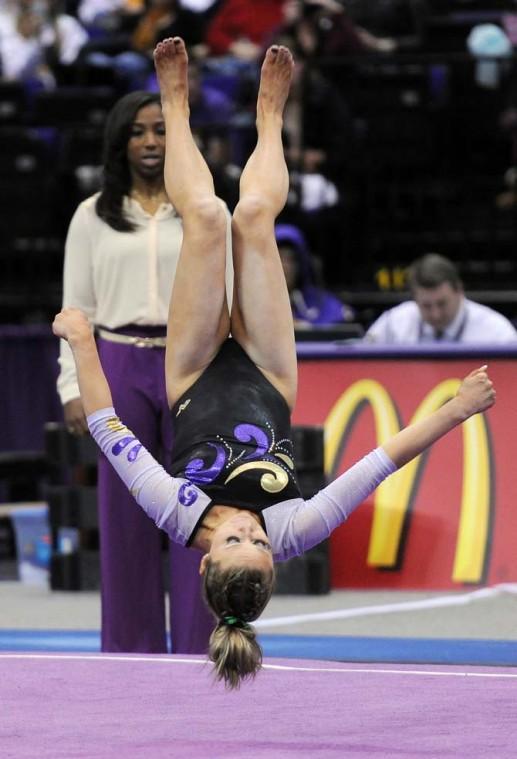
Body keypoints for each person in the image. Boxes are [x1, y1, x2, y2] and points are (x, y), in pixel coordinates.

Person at [53, 38, 496, 688]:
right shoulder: (297, 524)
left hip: (192, 371)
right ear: (276, 558)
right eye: (261, 547)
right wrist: (455, 410)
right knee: (253, 216)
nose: (250, 532)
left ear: (204, 561)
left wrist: (81, 342)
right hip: (267, 371)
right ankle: (268, 118)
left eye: (237, 542)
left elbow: (108, 429)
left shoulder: (177, 511)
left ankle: (175, 104)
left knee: (205, 217)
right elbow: (382, 460)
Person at [56, 88, 232, 654]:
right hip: (118, 361)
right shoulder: (92, 215)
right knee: (126, 512)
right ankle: (129, 654)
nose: (152, 141)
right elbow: (75, 305)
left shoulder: (208, 210)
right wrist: (71, 384)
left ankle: (197, 648)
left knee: (197, 507)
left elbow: (231, 296)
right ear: (119, 141)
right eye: (138, 131)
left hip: (193, 362)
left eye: (161, 129)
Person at [365, 253, 517, 344]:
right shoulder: (393, 324)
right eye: (426, 306)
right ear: (415, 299)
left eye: (442, 303)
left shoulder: (497, 332)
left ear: (459, 290)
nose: (435, 314)